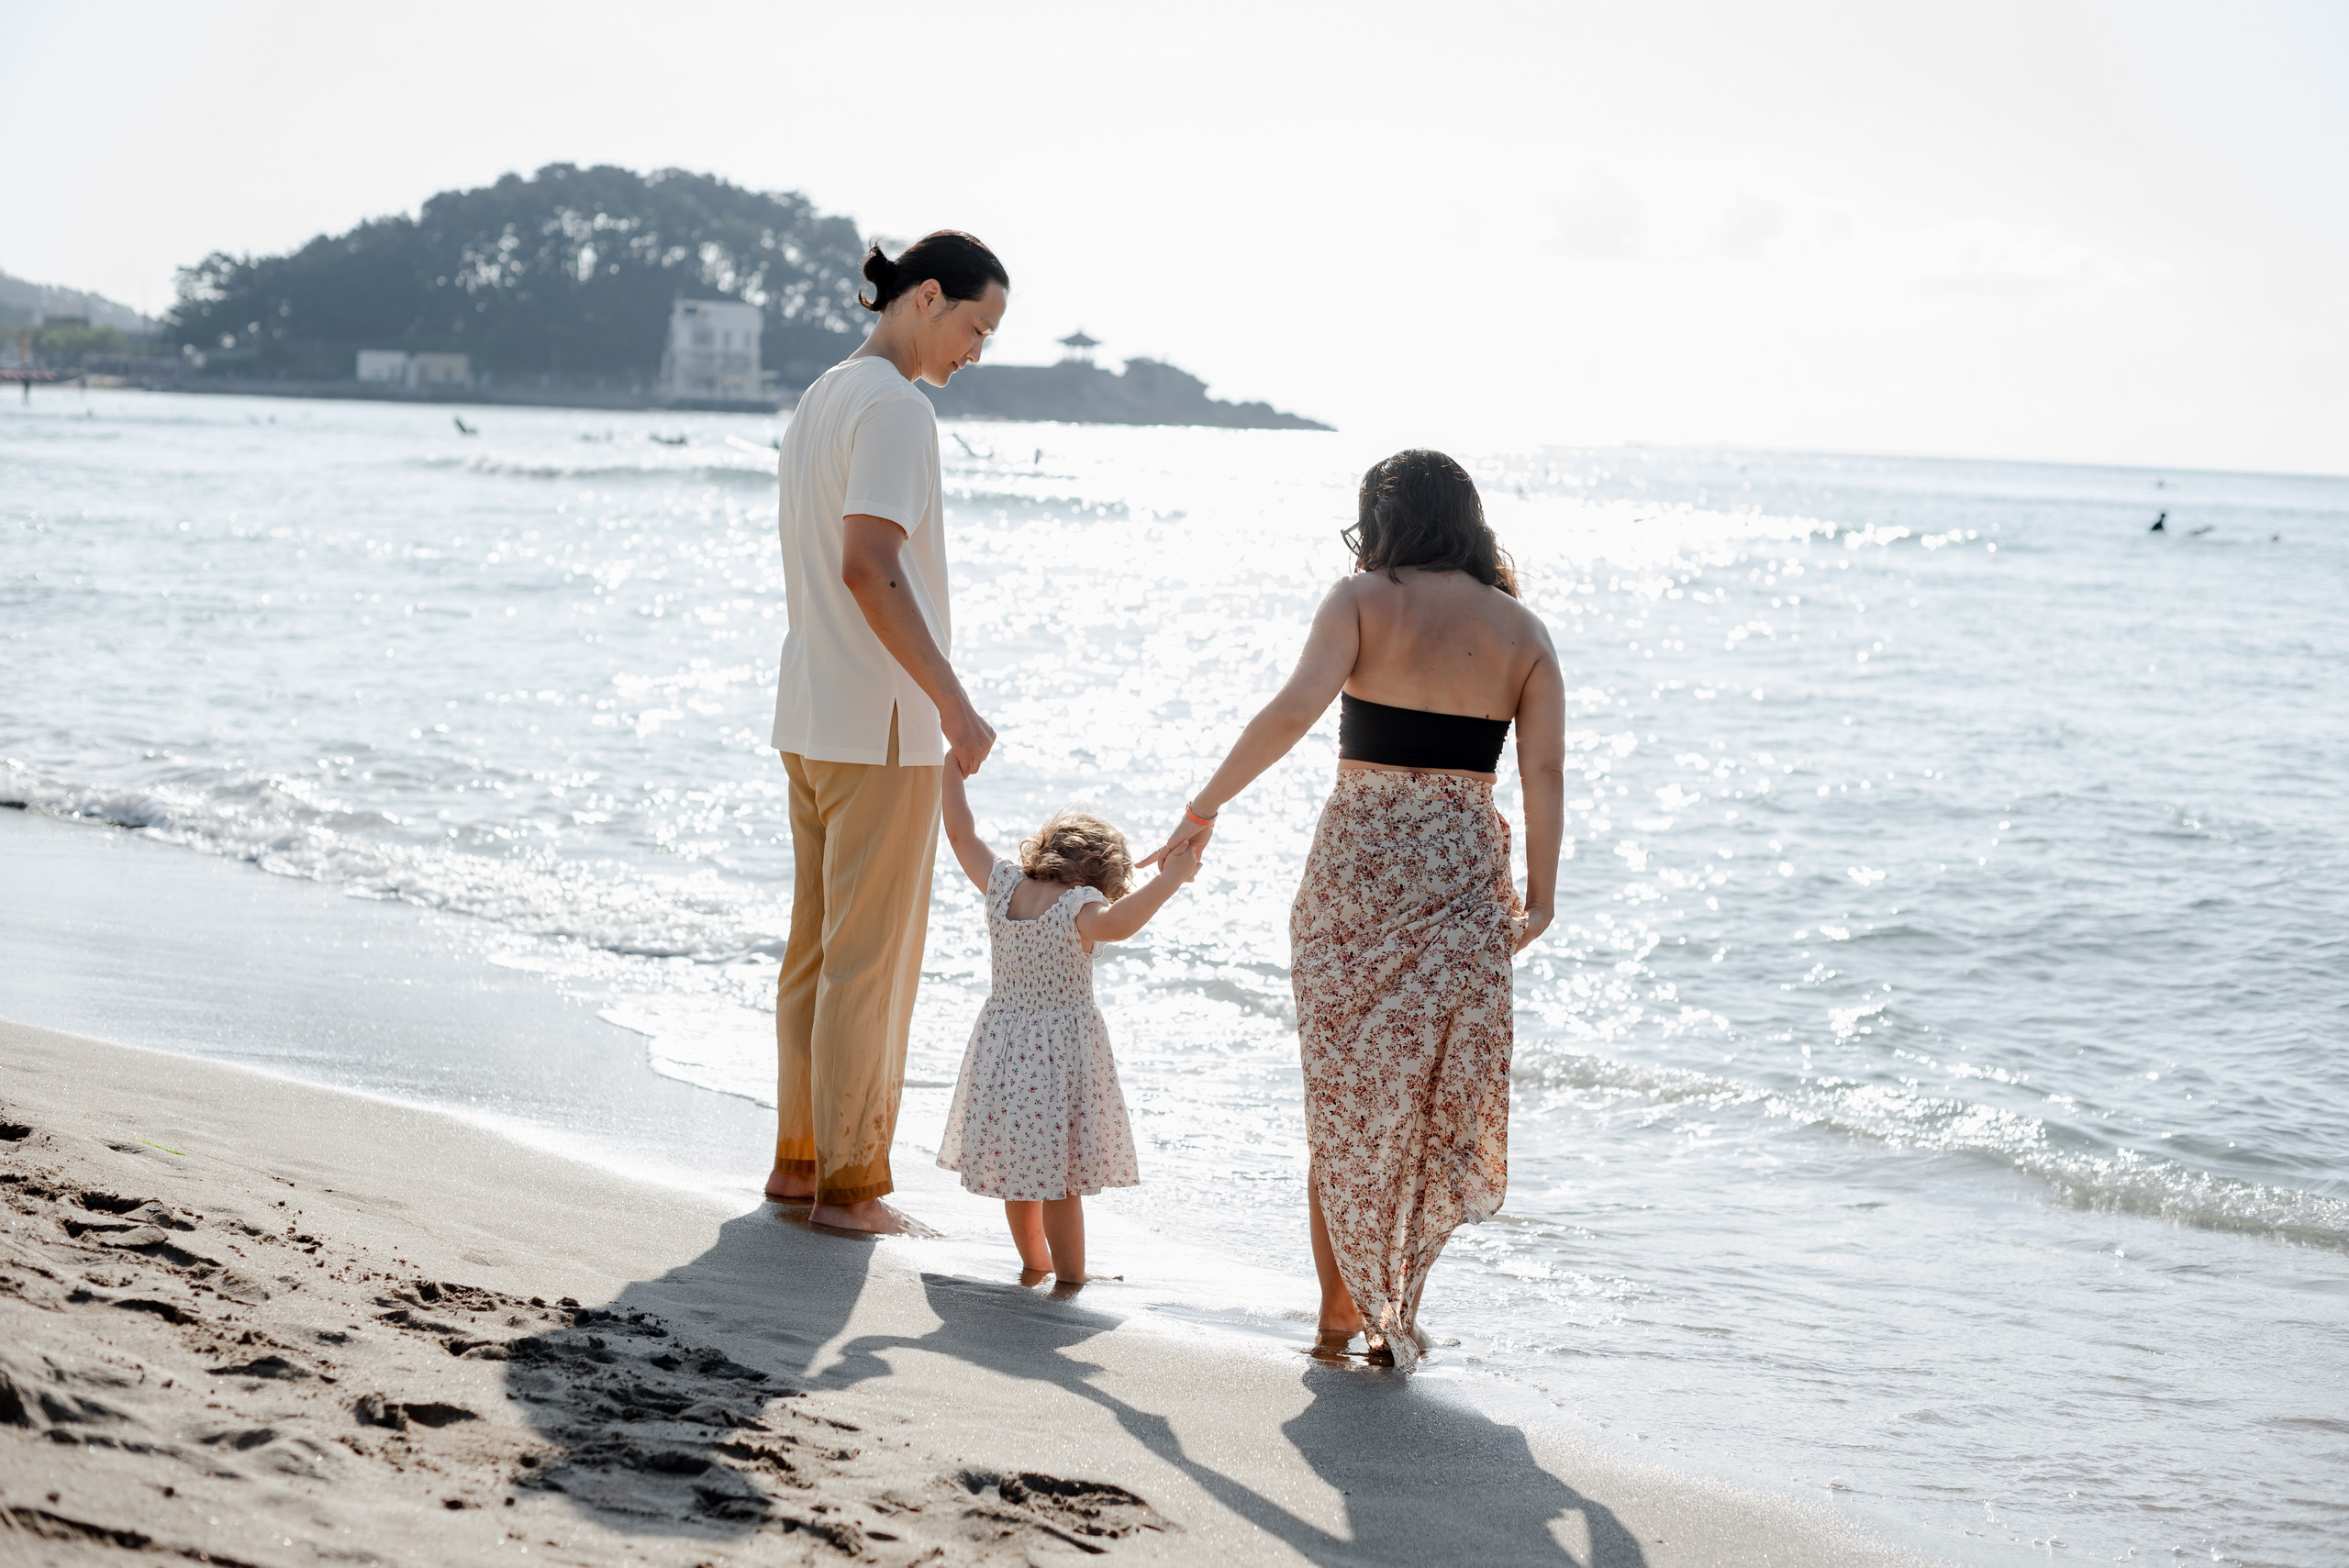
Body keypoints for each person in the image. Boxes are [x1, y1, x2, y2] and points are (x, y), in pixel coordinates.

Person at [1141, 450, 1566, 1367]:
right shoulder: (1522, 631)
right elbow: (1542, 771)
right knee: (1414, 1108)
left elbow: (1295, 709)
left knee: (1339, 1102)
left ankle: (1341, 1312)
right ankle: (1386, 1311)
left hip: (1352, 874)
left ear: (1384, 522)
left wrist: (1201, 807)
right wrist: (1542, 894)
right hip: (1460, 875)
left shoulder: (1362, 599)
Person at [765, 230, 1008, 1233]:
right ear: (926, 298)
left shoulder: (822, 395)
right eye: (975, 326)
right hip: (879, 723)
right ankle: (850, 1189)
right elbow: (871, 564)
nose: (976, 351)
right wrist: (952, 700)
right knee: (871, 963)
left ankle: (801, 1163)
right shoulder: (898, 408)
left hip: (814, 711)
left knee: (817, 955)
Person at [933, 769, 1200, 1284]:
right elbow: (1117, 926)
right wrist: (1170, 880)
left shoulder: (1004, 885)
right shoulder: (1080, 907)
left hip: (1003, 1046)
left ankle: (1036, 1263)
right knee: (1062, 1177)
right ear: (1104, 874)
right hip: (1057, 1055)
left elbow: (961, 833)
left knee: (1020, 1172)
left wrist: (952, 771)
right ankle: (1072, 1276)